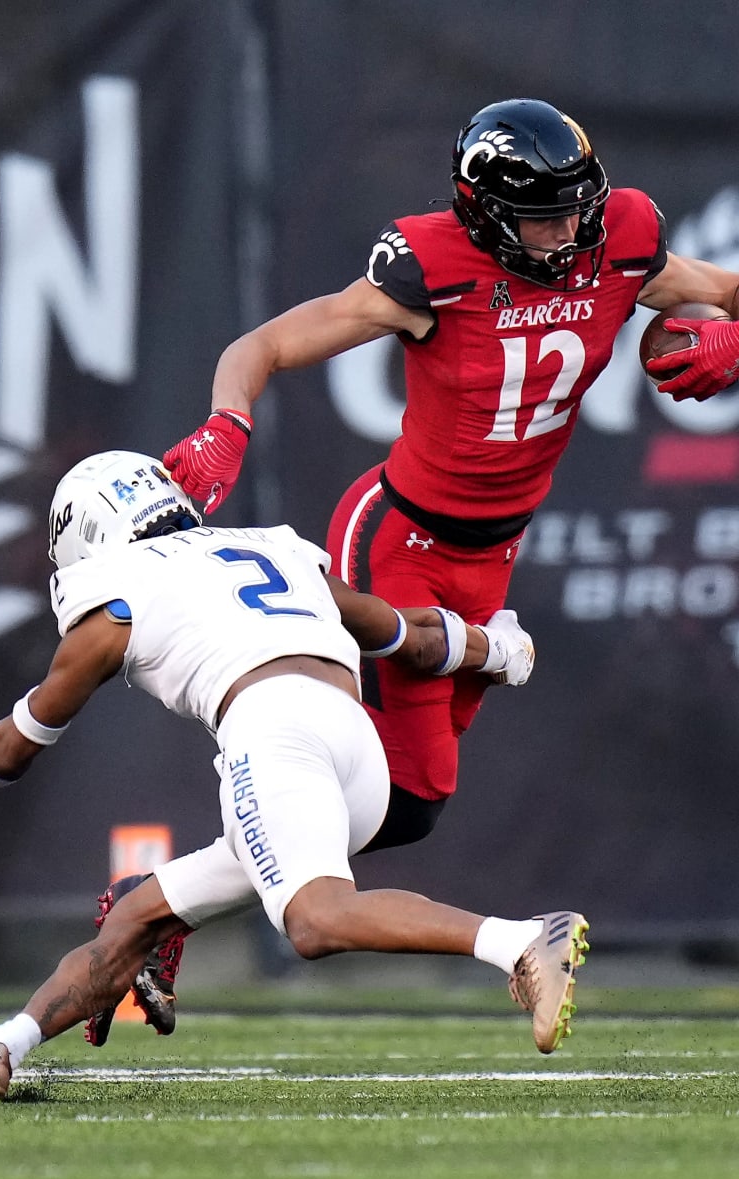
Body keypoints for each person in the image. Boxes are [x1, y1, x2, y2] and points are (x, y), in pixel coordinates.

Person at [133, 96, 739, 1032]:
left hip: (493, 552)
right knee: (394, 789)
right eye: (543, 215)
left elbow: (720, 291)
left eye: (578, 206)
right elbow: (263, 346)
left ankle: (157, 903)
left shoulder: (620, 236)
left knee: (406, 802)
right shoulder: (431, 267)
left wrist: (726, 332)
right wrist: (227, 421)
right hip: (395, 539)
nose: (567, 231)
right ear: (482, 210)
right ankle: (160, 910)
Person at [0, 449, 585, 1104]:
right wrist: (496, 649)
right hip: (355, 749)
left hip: (275, 729)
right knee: (136, 920)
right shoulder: (273, 548)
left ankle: (520, 940)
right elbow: (408, 636)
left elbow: (12, 750)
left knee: (314, 922)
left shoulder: (112, 598)